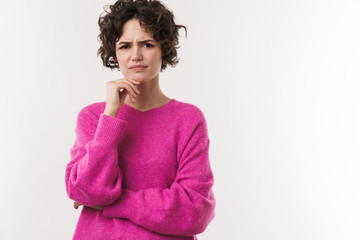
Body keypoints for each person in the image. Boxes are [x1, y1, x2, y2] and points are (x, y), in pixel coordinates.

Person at [65, 0, 216, 239]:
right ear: (114, 53)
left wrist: (112, 203)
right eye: (125, 46)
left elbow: (194, 209)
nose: (135, 55)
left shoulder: (188, 119)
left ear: (163, 48)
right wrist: (111, 116)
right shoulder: (94, 117)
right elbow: (87, 190)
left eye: (146, 44)